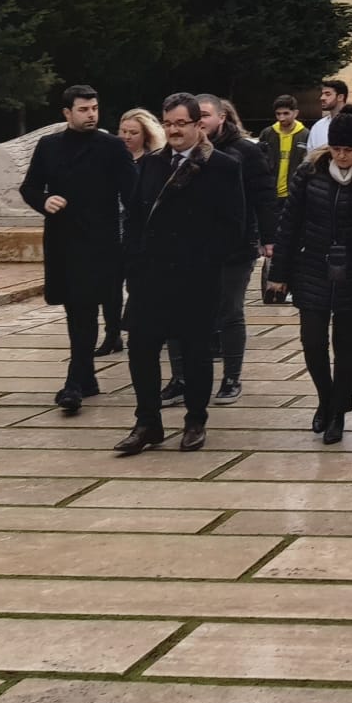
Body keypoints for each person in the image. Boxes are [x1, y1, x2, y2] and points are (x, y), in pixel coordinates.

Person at [116, 93, 246, 455]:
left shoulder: (221, 166)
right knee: (141, 349)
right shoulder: (150, 165)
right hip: (150, 277)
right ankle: (147, 423)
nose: (174, 130)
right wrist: (133, 263)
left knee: (196, 353)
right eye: (168, 123)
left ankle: (195, 421)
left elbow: (233, 225)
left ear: (197, 125)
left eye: (181, 123)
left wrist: (206, 261)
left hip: (195, 278)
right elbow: (135, 218)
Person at [19, 85, 137, 417]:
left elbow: (133, 194)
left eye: (95, 108)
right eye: (84, 110)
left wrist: (138, 239)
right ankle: (87, 380)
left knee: (85, 309)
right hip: (62, 241)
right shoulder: (49, 145)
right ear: (67, 113)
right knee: (75, 310)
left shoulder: (111, 146)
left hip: (100, 243)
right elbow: (29, 187)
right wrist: (44, 201)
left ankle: (73, 384)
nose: (91, 115)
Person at [268, 114, 352, 444]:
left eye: (349, 150)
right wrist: (278, 273)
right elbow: (289, 223)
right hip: (312, 266)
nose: (342, 155)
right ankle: (325, 398)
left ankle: (338, 412)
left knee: (346, 344)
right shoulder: (310, 172)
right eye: (337, 148)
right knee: (312, 341)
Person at [196, 94, 274, 406]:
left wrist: (270, 239)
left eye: (205, 114)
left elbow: (264, 196)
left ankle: (231, 377)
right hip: (196, 247)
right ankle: (184, 378)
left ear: (222, 117)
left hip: (236, 245)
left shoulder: (245, 151)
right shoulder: (187, 151)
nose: (200, 120)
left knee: (230, 310)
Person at [106, 108, 164, 354]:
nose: (127, 137)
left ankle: (141, 329)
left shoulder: (153, 162)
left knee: (138, 287)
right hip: (111, 232)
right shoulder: (111, 159)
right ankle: (112, 333)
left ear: (146, 135)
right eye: (123, 131)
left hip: (139, 234)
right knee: (110, 287)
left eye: (133, 132)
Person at [307, 77, 352, 153]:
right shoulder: (318, 126)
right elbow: (310, 154)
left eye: (328, 94)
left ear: (340, 97)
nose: (322, 98)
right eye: (322, 94)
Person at [261, 95, 310, 204]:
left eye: (286, 113)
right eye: (278, 114)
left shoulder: (305, 135)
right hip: (270, 192)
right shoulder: (267, 133)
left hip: (295, 193)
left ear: (295, 113)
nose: (281, 118)